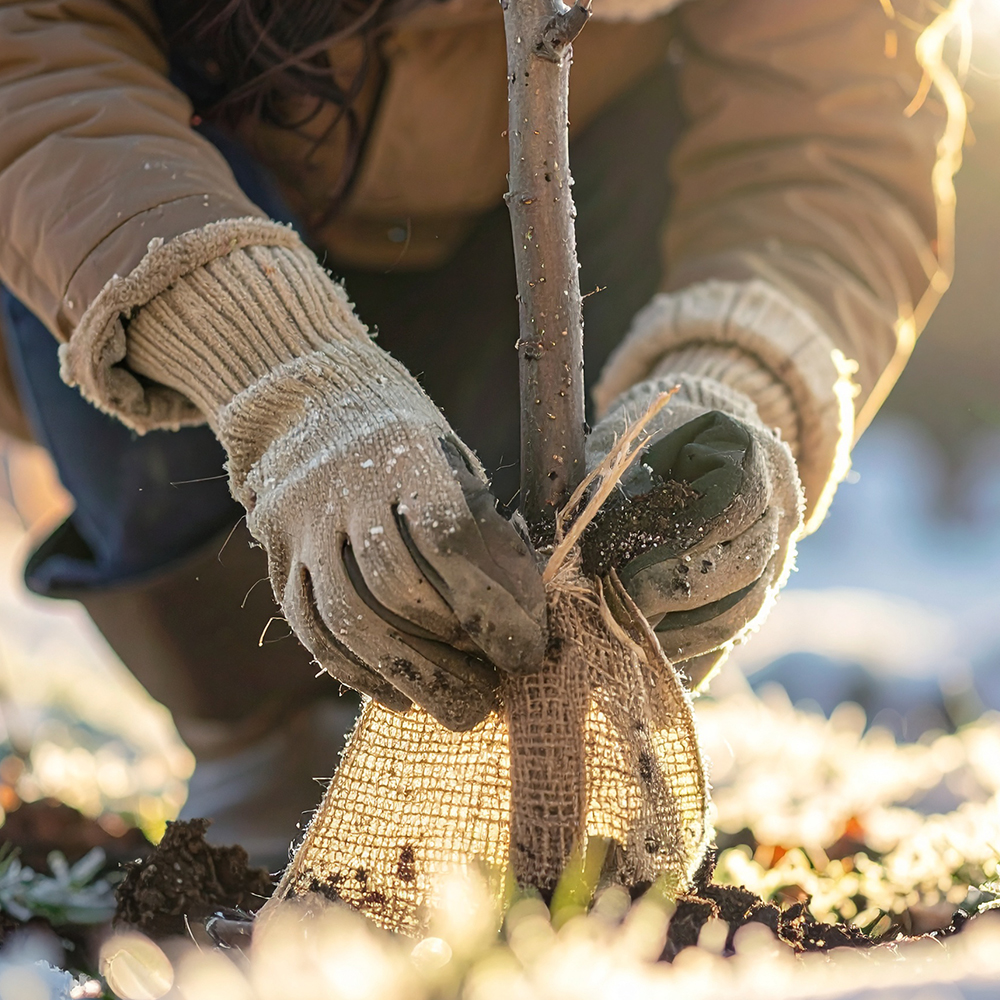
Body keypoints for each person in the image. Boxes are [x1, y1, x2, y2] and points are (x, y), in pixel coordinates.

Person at [0, 0, 959, 869]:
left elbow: (841, 126)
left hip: (549, 249)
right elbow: (33, 56)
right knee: (69, 219)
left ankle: (539, 763)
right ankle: (268, 730)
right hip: (192, 192)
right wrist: (281, 372)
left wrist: (731, 373)